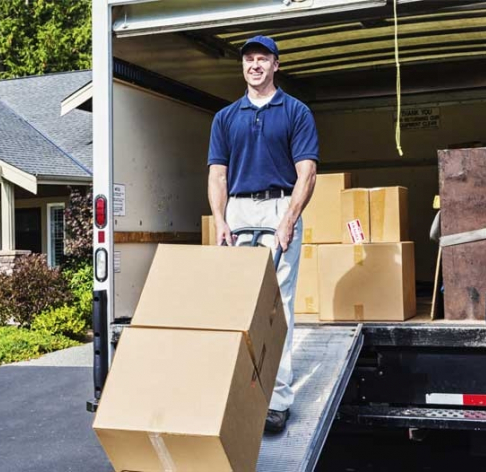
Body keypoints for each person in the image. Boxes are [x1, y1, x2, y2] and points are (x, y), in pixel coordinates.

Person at [206, 35, 318, 433]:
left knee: (278, 305)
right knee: (235, 305)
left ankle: (277, 400)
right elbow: (217, 174)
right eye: (249, 60)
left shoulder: (296, 111)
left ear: (276, 65)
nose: (255, 65)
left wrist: (289, 218)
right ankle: (234, 392)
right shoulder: (226, 117)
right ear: (243, 67)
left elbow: (307, 171)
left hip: (278, 207)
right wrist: (220, 220)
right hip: (238, 210)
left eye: (262, 59)